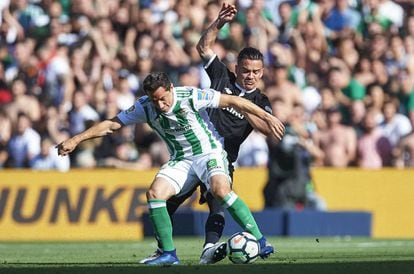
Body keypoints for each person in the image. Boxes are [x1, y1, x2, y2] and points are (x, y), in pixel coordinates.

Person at [56, 72, 285, 265]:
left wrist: (267, 117)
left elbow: (235, 101)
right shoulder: (145, 107)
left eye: (163, 98)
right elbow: (111, 125)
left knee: (220, 190)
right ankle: (168, 254)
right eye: (154, 100)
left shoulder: (190, 95)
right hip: (181, 159)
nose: (160, 104)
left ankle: (261, 240)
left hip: (209, 153)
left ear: (171, 89)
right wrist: (76, 140)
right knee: (155, 194)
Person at [141, 2, 280, 265]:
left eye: (256, 72)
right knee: (167, 203)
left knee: (218, 200)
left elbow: (265, 129)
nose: (250, 76)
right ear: (237, 67)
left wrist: (242, 103)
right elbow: (203, 48)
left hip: (222, 156)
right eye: (246, 70)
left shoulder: (261, 101)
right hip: (193, 150)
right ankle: (165, 251)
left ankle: (209, 247)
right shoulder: (222, 77)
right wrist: (218, 23)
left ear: (262, 73)